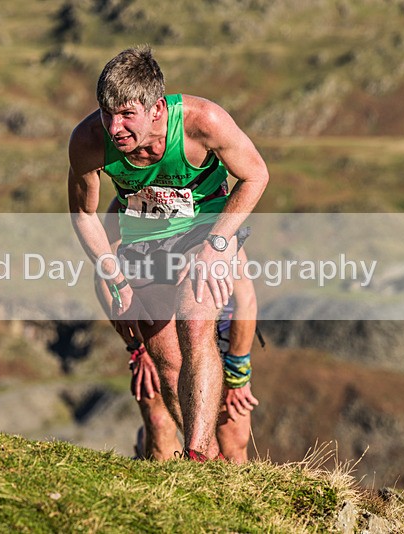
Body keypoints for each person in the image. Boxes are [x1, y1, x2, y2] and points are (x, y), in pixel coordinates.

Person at [69, 45, 269, 460]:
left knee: (195, 323)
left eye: (126, 114)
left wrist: (218, 245)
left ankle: (195, 454)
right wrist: (116, 279)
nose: (114, 126)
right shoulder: (89, 141)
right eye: (106, 113)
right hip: (145, 237)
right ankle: (208, 460)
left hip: (206, 230)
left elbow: (256, 174)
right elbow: (85, 217)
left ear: (157, 108)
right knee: (166, 360)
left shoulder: (203, 121)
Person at [95, 199, 260, 463]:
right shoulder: (122, 206)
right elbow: (105, 279)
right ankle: (166, 496)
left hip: (220, 330)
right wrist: (138, 349)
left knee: (234, 437)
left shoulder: (210, 205)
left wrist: (238, 374)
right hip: (157, 325)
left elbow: (246, 301)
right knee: (159, 421)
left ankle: (231, 498)